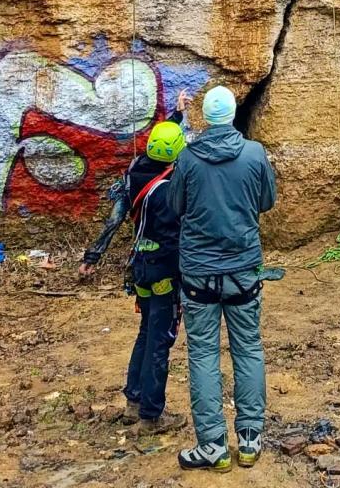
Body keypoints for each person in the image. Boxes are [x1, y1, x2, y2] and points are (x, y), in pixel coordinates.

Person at [170, 85, 277, 473]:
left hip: (199, 272)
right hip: (244, 269)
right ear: (232, 115)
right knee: (248, 348)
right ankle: (249, 440)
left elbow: (175, 206)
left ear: (206, 118)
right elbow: (266, 201)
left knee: (202, 354)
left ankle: (213, 446)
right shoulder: (255, 153)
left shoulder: (187, 158)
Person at [79, 93, 190, 436]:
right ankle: (151, 416)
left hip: (139, 266)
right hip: (164, 269)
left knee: (145, 333)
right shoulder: (169, 190)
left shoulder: (135, 170)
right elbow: (178, 236)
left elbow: (114, 220)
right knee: (160, 340)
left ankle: (133, 400)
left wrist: (92, 257)